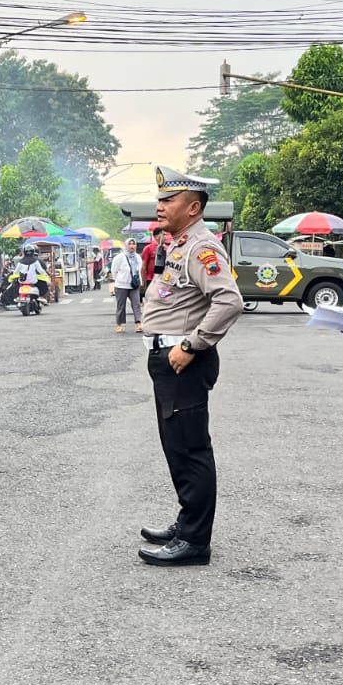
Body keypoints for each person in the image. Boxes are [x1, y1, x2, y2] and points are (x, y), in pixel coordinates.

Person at [136, 167, 243, 568]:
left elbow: (228, 301)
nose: (160, 206)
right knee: (176, 447)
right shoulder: (179, 244)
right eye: (160, 199)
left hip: (183, 361)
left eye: (169, 200)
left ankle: (196, 541)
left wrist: (191, 344)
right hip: (167, 359)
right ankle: (187, 522)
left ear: (193, 208)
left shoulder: (201, 247)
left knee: (191, 448)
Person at [111, 239, 143, 333]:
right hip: (121, 285)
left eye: (134, 244)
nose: (132, 246)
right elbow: (114, 271)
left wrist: (140, 282)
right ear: (126, 245)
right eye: (130, 244)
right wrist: (119, 280)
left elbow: (139, 271)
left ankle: (138, 323)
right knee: (121, 305)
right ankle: (119, 324)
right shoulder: (120, 257)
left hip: (134, 285)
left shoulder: (137, 257)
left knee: (136, 304)